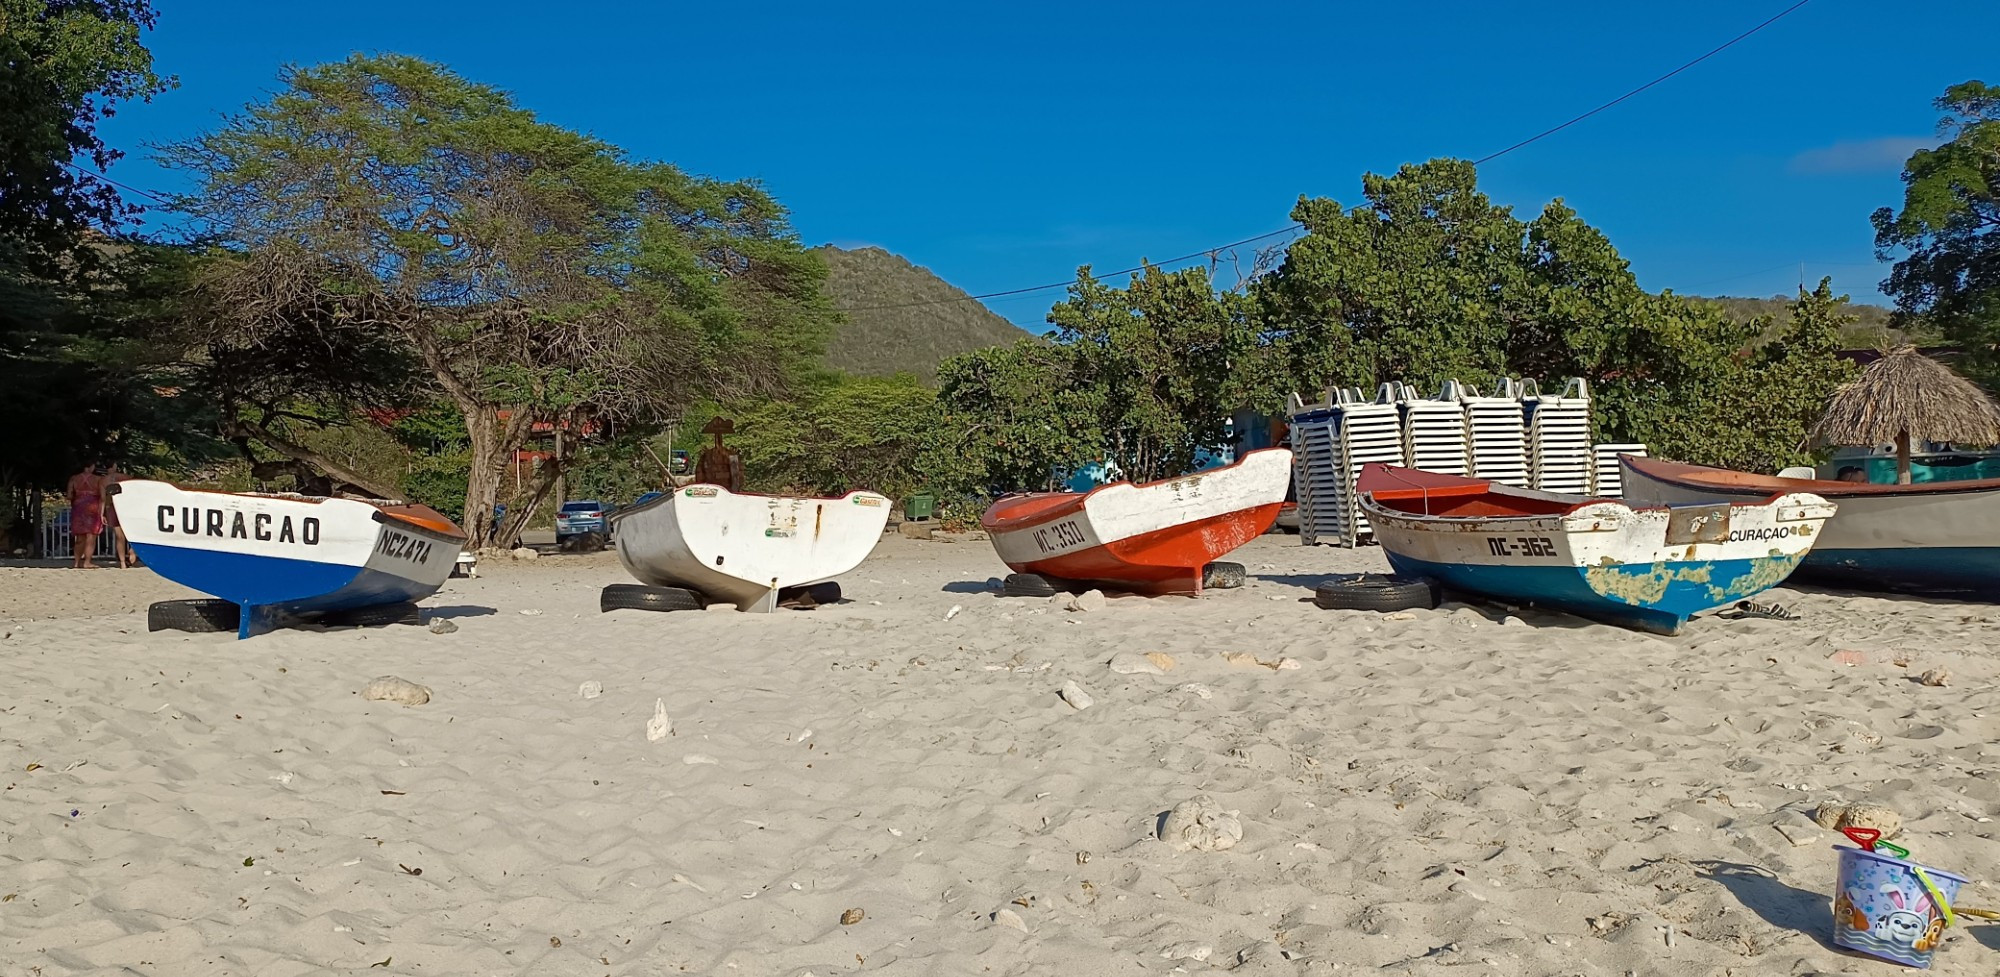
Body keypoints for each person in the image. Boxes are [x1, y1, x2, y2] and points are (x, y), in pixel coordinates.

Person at [65, 462, 105, 568]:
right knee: (91, 536)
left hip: (79, 508)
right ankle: (87, 562)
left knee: (80, 536)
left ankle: (76, 562)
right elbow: (103, 496)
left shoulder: (74, 479)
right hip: (93, 508)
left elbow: (69, 495)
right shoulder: (98, 479)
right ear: (91, 467)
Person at [693, 417, 745, 492]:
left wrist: (734, 491)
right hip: (711, 491)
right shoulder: (706, 456)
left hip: (727, 491)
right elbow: (700, 475)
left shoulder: (731, 456)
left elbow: (737, 475)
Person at [102, 462, 135, 568]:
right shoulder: (125, 477)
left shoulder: (103, 481)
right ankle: (132, 552)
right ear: (115, 466)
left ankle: (122, 562)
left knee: (119, 536)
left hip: (112, 507)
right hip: (125, 507)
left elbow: (103, 499)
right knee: (131, 533)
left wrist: (102, 513)